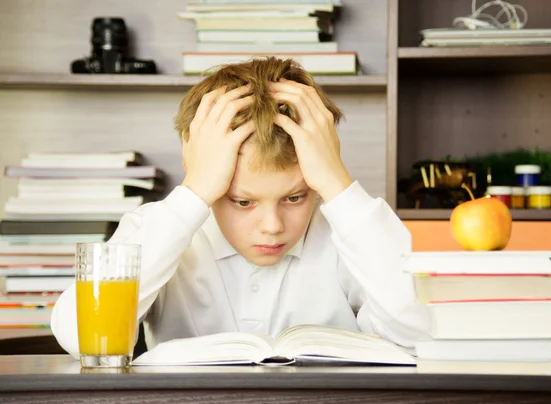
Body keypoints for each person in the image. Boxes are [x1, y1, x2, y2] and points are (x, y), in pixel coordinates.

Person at [51, 57, 430, 358]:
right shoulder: (161, 228)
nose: (271, 226)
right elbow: (79, 336)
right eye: (243, 201)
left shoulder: (347, 231)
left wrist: (337, 184)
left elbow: (422, 332)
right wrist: (194, 191)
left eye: (295, 197)